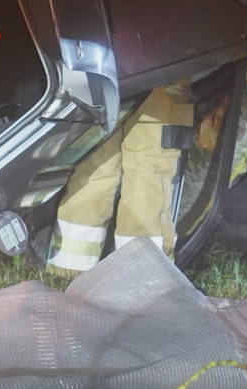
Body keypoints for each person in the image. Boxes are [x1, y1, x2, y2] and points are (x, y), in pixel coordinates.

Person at [48, 80, 197, 273]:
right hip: (162, 68)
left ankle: (67, 269)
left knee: (95, 167)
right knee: (149, 173)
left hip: (105, 70)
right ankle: (143, 276)